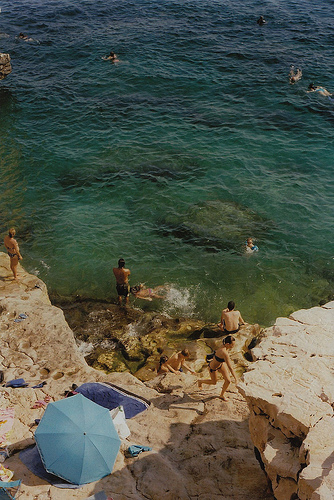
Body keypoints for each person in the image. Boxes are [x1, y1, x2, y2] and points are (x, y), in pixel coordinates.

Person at [198, 335, 237, 401]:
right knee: (214, 382)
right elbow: (230, 367)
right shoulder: (224, 352)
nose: (233, 346)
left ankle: (221, 395)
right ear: (227, 344)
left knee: (228, 381)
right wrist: (236, 378)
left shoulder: (224, 346)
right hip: (213, 367)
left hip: (220, 365)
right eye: (232, 345)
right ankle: (200, 381)